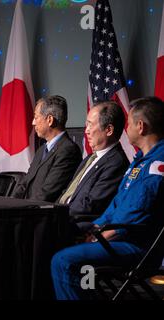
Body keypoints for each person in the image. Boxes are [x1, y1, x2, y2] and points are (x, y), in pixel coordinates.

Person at [51, 96, 164, 300]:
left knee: (63, 261)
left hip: (136, 247)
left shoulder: (157, 165)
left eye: (128, 124)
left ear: (141, 127)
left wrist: (103, 235)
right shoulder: (139, 162)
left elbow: (136, 212)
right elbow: (116, 205)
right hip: (117, 239)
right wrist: (95, 228)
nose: (125, 129)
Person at [57, 101, 130, 218]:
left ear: (109, 130)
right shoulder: (90, 158)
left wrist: (56, 215)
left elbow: (90, 206)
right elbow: (68, 193)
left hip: (77, 225)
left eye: (90, 125)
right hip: (61, 217)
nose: (86, 131)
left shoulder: (116, 164)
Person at [12, 95, 82, 202]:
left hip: (42, 213)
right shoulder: (41, 150)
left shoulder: (68, 151)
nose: (33, 123)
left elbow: (47, 193)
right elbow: (25, 183)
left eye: (36, 117)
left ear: (49, 120)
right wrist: (10, 203)